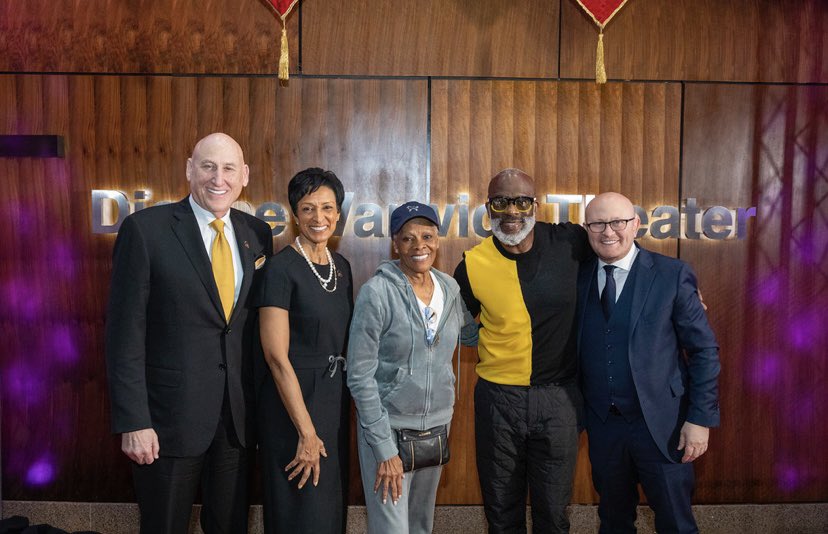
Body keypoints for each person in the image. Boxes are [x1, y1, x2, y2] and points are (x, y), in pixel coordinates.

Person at [105, 132, 273, 533]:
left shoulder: (257, 234)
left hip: (236, 420)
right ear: (189, 169)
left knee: (230, 526)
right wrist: (133, 420)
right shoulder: (145, 230)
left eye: (229, 168)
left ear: (245, 175)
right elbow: (124, 333)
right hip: (165, 423)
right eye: (208, 166)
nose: (219, 178)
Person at [453, 168, 592, 533]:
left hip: (559, 398)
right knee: (501, 511)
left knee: (553, 512)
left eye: (521, 201)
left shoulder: (570, 241)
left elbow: (619, 252)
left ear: (535, 204)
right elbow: (455, 325)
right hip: (498, 400)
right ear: (488, 207)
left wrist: (674, 291)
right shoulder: (471, 265)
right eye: (501, 202)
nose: (511, 211)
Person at [577, 192, 720, 533]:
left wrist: (699, 419)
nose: (608, 231)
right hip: (603, 426)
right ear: (587, 228)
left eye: (618, 222)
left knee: (675, 523)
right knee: (613, 521)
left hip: (663, 426)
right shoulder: (578, 277)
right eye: (597, 223)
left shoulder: (672, 274)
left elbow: (703, 351)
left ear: (636, 224)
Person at [347, 201, 478, 534]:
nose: (419, 246)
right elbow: (359, 376)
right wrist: (383, 448)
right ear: (395, 243)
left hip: (436, 427)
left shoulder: (449, 288)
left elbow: (470, 335)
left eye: (427, 236)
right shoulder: (376, 293)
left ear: (437, 240)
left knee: (421, 525)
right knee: (392, 529)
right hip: (388, 428)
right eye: (408, 238)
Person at [252, 168, 352, 533]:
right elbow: (276, 359)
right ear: (294, 214)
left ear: (339, 214)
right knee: (301, 511)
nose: (319, 218)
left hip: (332, 400)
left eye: (327, 208)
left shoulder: (342, 267)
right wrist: (307, 432)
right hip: (293, 406)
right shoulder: (280, 270)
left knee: (328, 508)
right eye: (308, 208)